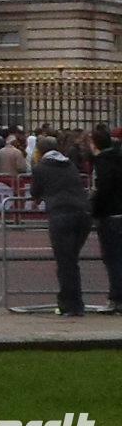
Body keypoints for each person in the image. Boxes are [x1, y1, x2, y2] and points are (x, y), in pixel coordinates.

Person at [31, 138, 93, 316]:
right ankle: (73, 302)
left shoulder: (40, 168)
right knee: (71, 261)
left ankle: (71, 304)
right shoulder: (70, 165)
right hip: (83, 213)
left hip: (61, 214)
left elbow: (35, 192)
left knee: (66, 263)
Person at [89, 125, 122, 313]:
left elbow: (102, 191)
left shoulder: (102, 162)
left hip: (109, 214)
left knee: (113, 259)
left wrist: (95, 211)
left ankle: (116, 298)